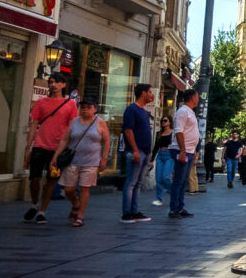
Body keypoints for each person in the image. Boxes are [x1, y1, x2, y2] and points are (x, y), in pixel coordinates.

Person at [23, 72, 78, 224]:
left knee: (50, 181)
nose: (53, 85)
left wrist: (63, 147)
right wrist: (28, 147)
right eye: (51, 82)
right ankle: (35, 204)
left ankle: (42, 211)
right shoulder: (41, 103)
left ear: (63, 85)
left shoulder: (70, 104)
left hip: (58, 148)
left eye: (56, 82)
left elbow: (71, 128)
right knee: (34, 178)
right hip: (40, 145)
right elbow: (34, 124)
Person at [50, 97, 109, 227]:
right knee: (68, 189)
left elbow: (106, 141)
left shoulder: (100, 123)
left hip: (91, 162)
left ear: (95, 109)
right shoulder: (74, 122)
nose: (85, 110)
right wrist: (56, 156)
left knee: (84, 188)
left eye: (89, 107)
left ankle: (80, 215)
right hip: (73, 160)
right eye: (83, 107)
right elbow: (65, 140)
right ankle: (76, 204)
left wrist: (104, 159)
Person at [121, 83, 154, 223]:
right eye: (150, 92)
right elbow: (128, 131)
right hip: (136, 151)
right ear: (143, 93)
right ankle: (126, 213)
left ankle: (134, 211)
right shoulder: (131, 110)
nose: (152, 95)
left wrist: (149, 152)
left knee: (138, 183)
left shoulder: (143, 111)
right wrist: (135, 150)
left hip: (144, 152)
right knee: (131, 182)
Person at [168, 89, 200, 218]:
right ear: (193, 98)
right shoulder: (182, 112)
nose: (198, 99)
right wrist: (182, 150)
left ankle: (180, 207)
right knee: (178, 180)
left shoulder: (190, 112)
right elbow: (179, 131)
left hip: (189, 151)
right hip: (182, 150)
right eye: (197, 96)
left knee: (184, 180)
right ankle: (174, 209)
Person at [151, 115, 174, 207]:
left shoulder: (173, 133)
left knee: (166, 177)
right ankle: (159, 199)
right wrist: (151, 160)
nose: (163, 122)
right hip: (160, 155)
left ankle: (172, 191)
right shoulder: (159, 133)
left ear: (170, 122)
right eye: (162, 121)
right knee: (158, 178)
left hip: (169, 155)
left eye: (165, 120)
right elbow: (156, 147)